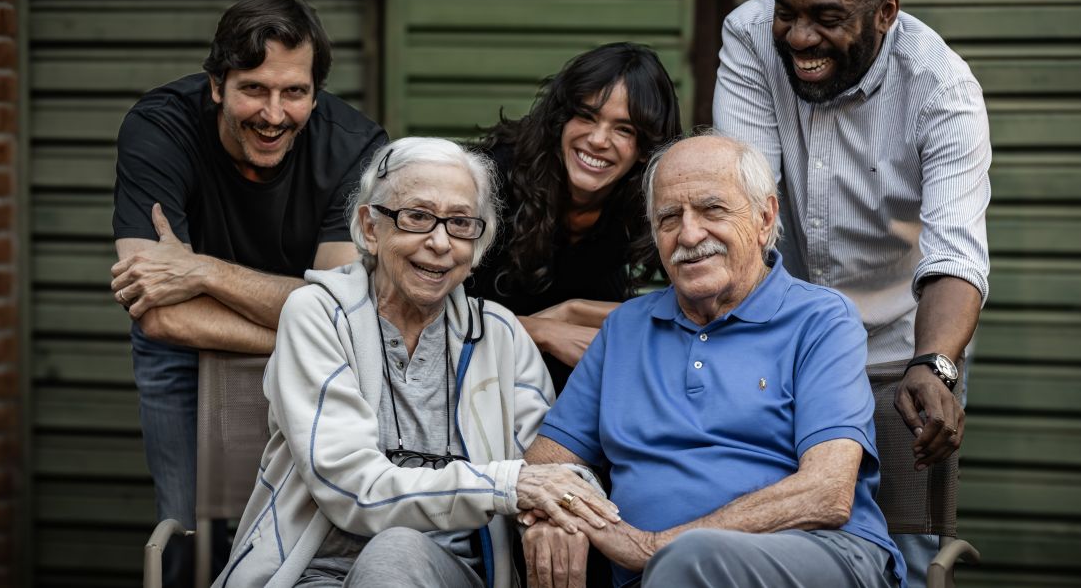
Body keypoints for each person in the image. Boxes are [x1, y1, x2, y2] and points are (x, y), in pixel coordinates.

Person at [713, 0, 991, 584]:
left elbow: (957, 253)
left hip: (904, 353)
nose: (800, 37)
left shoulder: (942, 91)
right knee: (766, 535)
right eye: (788, 12)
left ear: (886, 13)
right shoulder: (750, 37)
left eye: (828, 18)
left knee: (907, 555)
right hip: (784, 342)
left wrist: (939, 368)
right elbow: (746, 206)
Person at [213, 138, 618, 588]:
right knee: (393, 548)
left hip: (449, 574)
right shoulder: (317, 316)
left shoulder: (500, 335)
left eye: (461, 223)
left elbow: (551, 466)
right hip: (317, 572)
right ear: (370, 227)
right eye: (418, 217)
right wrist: (506, 485)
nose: (441, 242)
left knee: (398, 550)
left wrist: (550, 513)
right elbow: (354, 489)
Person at [520, 134, 905, 588]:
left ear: (764, 219)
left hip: (823, 553)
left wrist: (653, 546)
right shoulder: (626, 329)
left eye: (712, 210)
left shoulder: (820, 319)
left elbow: (827, 493)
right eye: (669, 218)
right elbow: (543, 465)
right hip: (657, 575)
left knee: (690, 561)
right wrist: (553, 512)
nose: (689, 234)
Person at [109, 0, 388, 586]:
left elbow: (348, 315)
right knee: (189, 534)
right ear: (217, 86)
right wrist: (310, 316)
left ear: (316, 91)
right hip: (183, 352)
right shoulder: (159, 127)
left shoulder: (355, 147)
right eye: (253, 89)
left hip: (312, 355)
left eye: (295, 92)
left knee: (306, 531)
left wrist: (202, 272)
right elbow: (155, 315)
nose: (274, 112)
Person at [470, 42, 683, 392]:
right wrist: (540, 330)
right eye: (586, 116)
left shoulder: (645, 203)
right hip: (472, 378)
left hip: (567, 392)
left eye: (624, 129)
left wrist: (574, 310)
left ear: (646, 149)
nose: (598, 140)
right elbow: (426, 315)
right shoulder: (490, 180)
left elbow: (695, 307)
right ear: (560, 120)